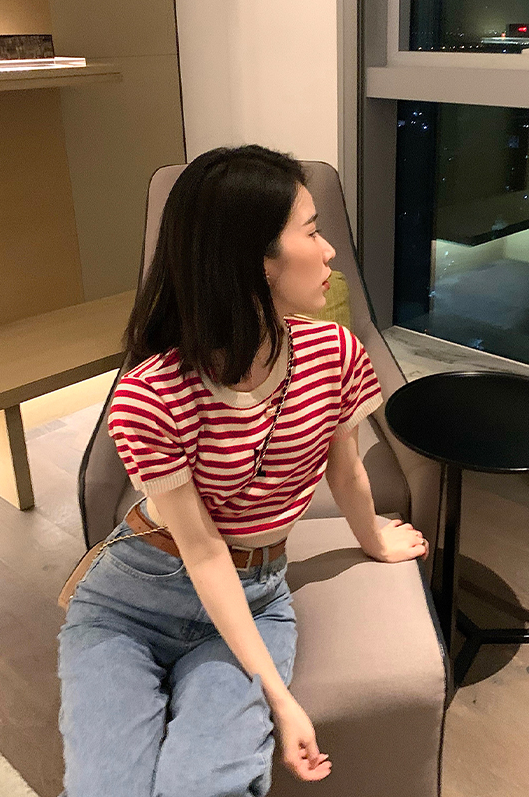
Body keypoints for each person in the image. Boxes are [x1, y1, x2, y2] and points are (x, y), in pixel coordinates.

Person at [56, 144, 429, 797]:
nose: (330, 252)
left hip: (255, 601)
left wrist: (373, 537)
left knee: (210, 784)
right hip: (133, 601)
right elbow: (202, 552)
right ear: (256, 259)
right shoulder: (151, 394)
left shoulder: (335, 352)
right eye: (312, 232)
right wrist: (283, 701)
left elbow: (345, 472)